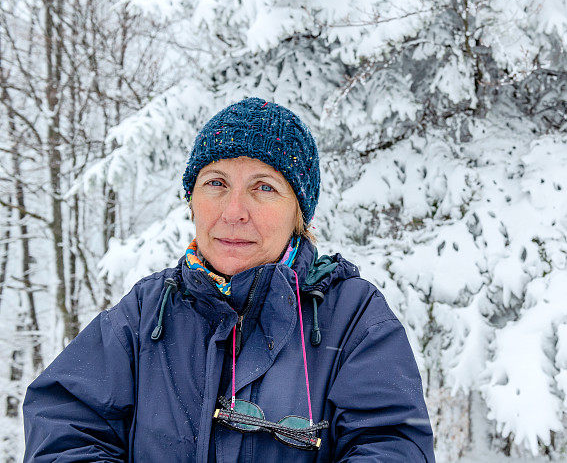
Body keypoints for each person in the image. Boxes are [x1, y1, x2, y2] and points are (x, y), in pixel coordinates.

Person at [23, 98, 435, 462]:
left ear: (299, 214)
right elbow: (64, 428)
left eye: (264, 187)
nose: (234, 210)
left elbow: (392, 443)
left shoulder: (354, 316)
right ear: (192, 202)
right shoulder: (146, 313)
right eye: (216, 183)